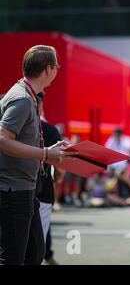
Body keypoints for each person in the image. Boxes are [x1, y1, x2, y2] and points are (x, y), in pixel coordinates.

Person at [0, 45, 75, 265]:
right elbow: (3, 140)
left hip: (24, 189)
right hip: (14, 190)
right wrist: (45, 153)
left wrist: (51, 149)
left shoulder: (26, 94)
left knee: (35, 252)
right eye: (56, 66)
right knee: (14, 258)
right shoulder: (23, 98)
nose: (57, 70)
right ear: (47, 70)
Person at [34, 92, 65, 265]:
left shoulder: (11, 130)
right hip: (42, 192)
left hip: (13, 190)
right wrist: (59, 177)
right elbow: (59, 169)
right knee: (36, 246)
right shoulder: (50, 130)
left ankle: (48, 254)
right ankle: (48, 254)